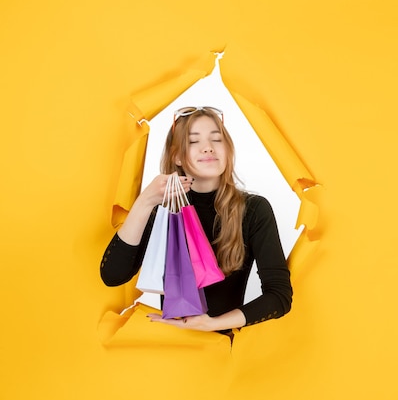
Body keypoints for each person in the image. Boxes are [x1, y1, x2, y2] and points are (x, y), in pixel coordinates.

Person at [100, 106, 293, 335]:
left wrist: (212, 324)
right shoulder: (164, 212)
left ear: (228, 150)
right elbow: (112, 276)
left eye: (216, 139)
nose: (208, 147)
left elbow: (279, 297)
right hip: (171, 349)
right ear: (177, 156)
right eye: (193, 141)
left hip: (222, 352)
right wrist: (145, 201)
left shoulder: (253, 209)